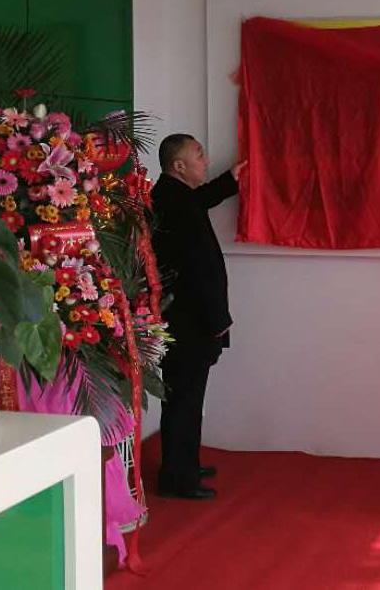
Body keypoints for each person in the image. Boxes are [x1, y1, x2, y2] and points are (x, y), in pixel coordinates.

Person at [151, 133, 247, 500]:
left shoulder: (173, 195)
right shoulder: (176, 203)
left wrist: (229, 180)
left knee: (187, 397)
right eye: (199, 155)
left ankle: (183, 464)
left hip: (186, 319)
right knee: (185, 400)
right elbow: (199, 271)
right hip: (190, 321)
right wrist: (218, 320)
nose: (205, 160)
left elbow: (200, 199)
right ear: (179, 166)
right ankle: (178, 478)